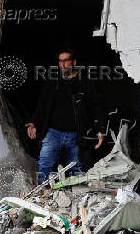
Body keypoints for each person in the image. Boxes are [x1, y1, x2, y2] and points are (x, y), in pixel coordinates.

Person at [25, 48, 106, 184]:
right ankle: (42, 197)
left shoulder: (85, 83)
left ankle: (76, 199)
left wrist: (100, 129)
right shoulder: (53, 82)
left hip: (76, 135)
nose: (62, 64)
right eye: (60, 61)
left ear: (74, 62)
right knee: (45, 165)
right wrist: (34, 123)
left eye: (66, 60)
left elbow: (97, 107)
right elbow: (42, 106)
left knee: (76, 170)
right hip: (53, 133)